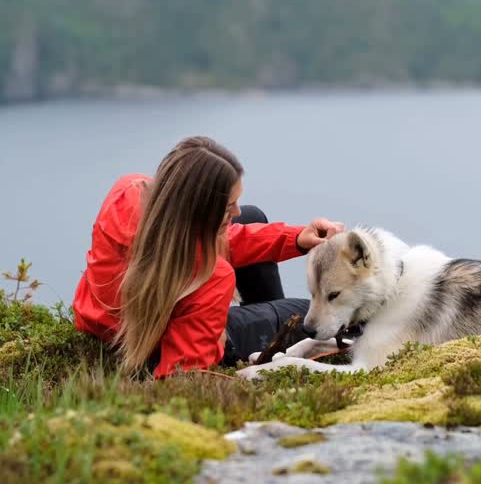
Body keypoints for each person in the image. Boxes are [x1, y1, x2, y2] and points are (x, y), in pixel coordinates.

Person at [72, 135, 343, 377]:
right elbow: (182, 376)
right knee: (298, 313)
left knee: (252, 216)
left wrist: (295, 239)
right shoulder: (212, 276)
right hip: (160, 342)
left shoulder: (129, 191)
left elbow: (205, 245)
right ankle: (268, 345)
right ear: (198, 212)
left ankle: (262, 327)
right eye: (227, 207)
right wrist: (215, 341)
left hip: (103, 318)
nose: (235, 212)